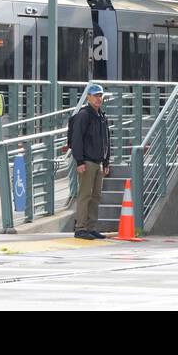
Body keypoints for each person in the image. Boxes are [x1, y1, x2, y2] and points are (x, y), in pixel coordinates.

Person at [68, 84, 111, 240]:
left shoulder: (101, 116)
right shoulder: (84, 115)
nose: (99, 98)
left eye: (100, 95)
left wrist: (106, 161)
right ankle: (80, 228)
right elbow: (76, 139)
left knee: (96, 196)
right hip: (87, 161)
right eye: (95, 95)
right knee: (85, 195)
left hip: (98, 162)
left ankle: (91, 227)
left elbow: (107, 140)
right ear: (88, 97)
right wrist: (79, 161)